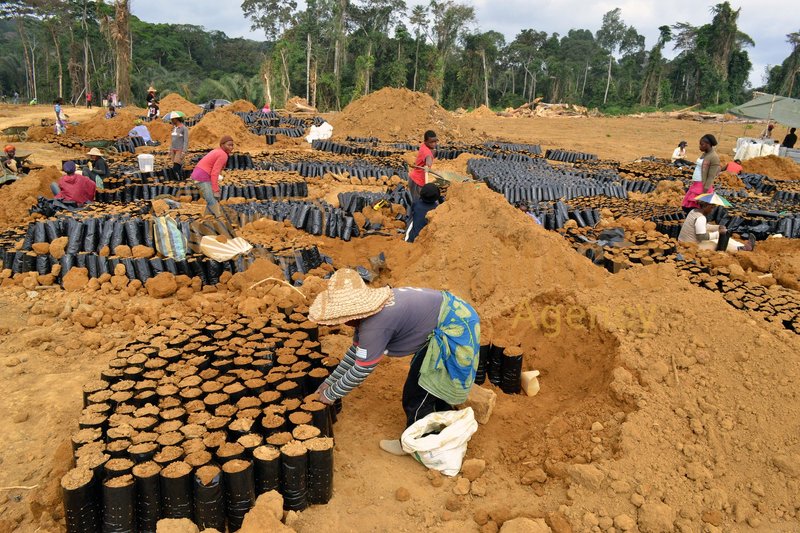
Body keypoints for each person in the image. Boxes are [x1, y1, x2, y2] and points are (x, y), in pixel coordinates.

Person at [308, 268, 481, 456]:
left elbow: (361, 369)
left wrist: (330, 395)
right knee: (424, 385)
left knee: (419, 392)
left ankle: (415, 444)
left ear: (351, 314)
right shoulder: (368, 315)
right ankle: (442, 424)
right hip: (449, 315)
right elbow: (355, 353)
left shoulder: (375, 325)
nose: (340, 322)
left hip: (455, 327)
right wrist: (328, 382)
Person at [679, 198, 753, 253]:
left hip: (683, 241)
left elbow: (705, 226)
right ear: (705, 206)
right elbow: (701, 236)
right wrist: (717, 235)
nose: (712, 210)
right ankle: (739, 249)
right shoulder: (701, 218)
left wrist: (718, 227)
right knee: (717, 243)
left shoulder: (693, 211)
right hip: (692, 245)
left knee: (720, 237)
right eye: (711, 207)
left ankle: (740, 245)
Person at [191, 136, 233, 215]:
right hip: (202, 176)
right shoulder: (223, 155)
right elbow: (215, 173)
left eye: (232, 145)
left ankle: (207, 218)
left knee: (210, 199)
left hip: (199, 173)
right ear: (222, 145)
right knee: (212, 201)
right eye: (228, 145)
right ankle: (219, 220)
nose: (231, 147)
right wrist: (216, 190)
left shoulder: (217, 151)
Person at [681, 134, 720, 214]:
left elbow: (711, 177)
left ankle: (697, 224)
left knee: (695, 209)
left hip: (703, 187)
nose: (700, 146)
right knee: (686, 207)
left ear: (708, 145)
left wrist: (703, 194)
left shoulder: (713, 157)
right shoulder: (704, 154)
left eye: (702, 144)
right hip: (696, 184)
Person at [408, 130, 438, 201]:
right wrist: (429, 161)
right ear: (425, 141)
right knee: (418, 203)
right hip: (417, 182)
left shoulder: (424, 146)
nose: (434, 144)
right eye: (431, 142)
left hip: (417, 179)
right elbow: (428, 159)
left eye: (435, 141)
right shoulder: (426, 151)